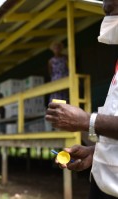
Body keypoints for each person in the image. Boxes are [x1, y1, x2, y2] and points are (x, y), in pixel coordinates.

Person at [45, 0, 118, 198]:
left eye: (110, 10)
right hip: (103, 185)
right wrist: (95, 152)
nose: (106, 19)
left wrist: (87, 121)